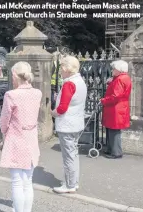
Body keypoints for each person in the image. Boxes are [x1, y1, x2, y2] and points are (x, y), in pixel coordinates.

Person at [0, 61, 42, 212]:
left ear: (15, 76)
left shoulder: (11, 95)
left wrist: (3, 134)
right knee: (28, 181)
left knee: (17, 182)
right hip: (31, 139)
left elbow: (4, 120)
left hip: (16, 139)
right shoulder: (38, 93)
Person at [51, 55, 87, 194]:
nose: (60, 70)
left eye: (61, 67)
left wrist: (53, 113)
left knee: (68, 156)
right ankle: (73, 181)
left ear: (66, 68)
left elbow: (62, 108)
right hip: (76, 122)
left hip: (67, 124)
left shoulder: (68, 84)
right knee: (73, 154)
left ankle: (70, 184)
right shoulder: (79, 81)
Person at [100, 60, 132, 159]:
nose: (112, 70)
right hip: (117, 107)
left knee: (113, 130)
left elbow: (115, 96)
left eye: (114, 68)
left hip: (115, 108)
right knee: (111, 129)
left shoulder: (120, 79)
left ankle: (116, 152)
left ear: (119, 70)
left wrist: (103, 100)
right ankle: (111, 149)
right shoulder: (121, 78)